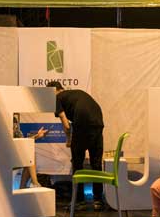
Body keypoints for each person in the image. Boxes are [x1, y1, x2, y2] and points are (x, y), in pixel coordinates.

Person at [46, 81, 104, 210]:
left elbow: (65, 123)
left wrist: (69, 139)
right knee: (96, 163)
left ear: (54, 90)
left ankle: (79, 201)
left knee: (77, 164)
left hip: (82, 123)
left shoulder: (57, 97)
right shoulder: (75, 93)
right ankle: (98, 200)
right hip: (98, 122)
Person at [13, 113, 48, 188]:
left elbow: (24, 142)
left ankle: (25, 186)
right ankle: (34, 183)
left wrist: (37, 136)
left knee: (29, 154)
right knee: (29, 154)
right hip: (3, 158)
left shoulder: (16, 127)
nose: (15, 126)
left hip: (13, 158)